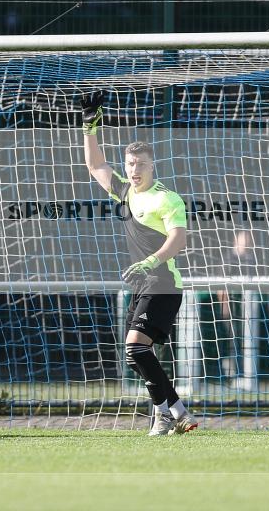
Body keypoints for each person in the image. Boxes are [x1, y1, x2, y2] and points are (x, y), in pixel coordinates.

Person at [80, 90, 198, 436]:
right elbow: (95, 166)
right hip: (144, 286)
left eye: (140, 164)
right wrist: (90, 126)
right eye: (130, 164)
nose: (134, 170)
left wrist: (150, 261)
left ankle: (166, 413)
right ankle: (175, 412)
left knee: (134, 348)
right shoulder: (126, 192)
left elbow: (179, 239)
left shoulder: (166, 198)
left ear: (152, 165)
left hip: (163, 285)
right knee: (138, 354)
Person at [215, 230, 258, 379]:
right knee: (231, 339)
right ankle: (230, 372)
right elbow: (221, 286)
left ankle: (243, 373)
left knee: (245, 339)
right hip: (230, 308)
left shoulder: (251, 259)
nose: (247, 243)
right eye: (244, 240)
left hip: (247, 309)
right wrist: (225, 307)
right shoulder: (228, 259)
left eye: (249, 240)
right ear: (236, 241)